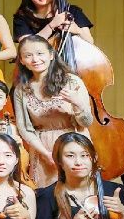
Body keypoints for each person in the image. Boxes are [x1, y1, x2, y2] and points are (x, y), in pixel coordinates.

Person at [12, 36, 92, 187]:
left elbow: (86, 122)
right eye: (28, 55)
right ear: (21, 60)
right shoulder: (21, 89)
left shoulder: (72, 81)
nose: (35, 59)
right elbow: (24, 128)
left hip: (74, 143)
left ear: (51, 55)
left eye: (40, 53)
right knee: (46, 195)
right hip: (42, 148)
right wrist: (45, 153)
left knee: (77, 190)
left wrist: (77, 103)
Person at [12, 0, 95, 44]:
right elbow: (27, 45)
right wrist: (52, 25)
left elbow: (90, 42)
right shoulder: (22, 17)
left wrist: (77, 30)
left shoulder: (72, 11)